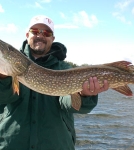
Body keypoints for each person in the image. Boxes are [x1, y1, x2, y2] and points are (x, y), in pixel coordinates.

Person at [0, 15, 109, 150]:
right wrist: (3, 78)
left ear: (52, 38)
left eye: (46, 33)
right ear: (27, 35)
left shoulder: (66, 69)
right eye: (35, 31)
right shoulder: (7, 68)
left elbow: (68, 104)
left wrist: (83, 95)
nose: (40, 35)